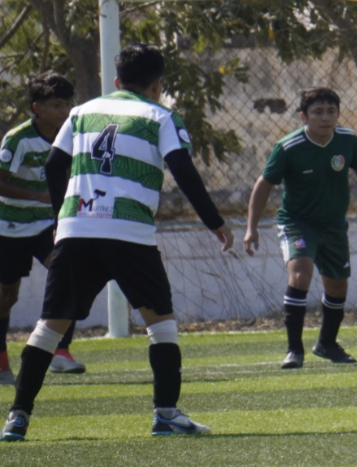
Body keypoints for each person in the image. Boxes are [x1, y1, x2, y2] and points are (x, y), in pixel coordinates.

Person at [3, 44, 233, 441]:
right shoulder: (160, 115)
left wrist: (62, 217)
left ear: (116, 80)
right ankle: (165, 414)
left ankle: (17, 418)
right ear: (158, 83)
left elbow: (55, 165)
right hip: (129, 233)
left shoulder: (81, 112)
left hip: (78, 230)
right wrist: (215, 222)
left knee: (49, 327)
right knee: (160, 323)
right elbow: (181, 167)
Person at [245, 88, 357, 369]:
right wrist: (251, 228)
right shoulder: (288, 147)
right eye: (318, 112)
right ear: (304, 116)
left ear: (338, 114)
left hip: (334, 224)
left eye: (331, 112)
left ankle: (327, 343)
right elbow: (263, 184)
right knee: (300, 273)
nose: (325, 118)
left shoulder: (347, 140)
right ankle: (294, 350)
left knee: (337, 284)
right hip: (297, 223)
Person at [1, 71, 87, 384]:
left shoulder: (71, 136)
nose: (65, 112)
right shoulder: (18, 139)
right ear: (38, 108)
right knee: (6, 296)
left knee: (70, 274)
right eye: (57, 105)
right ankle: (1, 365)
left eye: (67, 104)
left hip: (47, 225)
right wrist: (39, 194)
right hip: (10, 227)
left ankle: (60, 352)